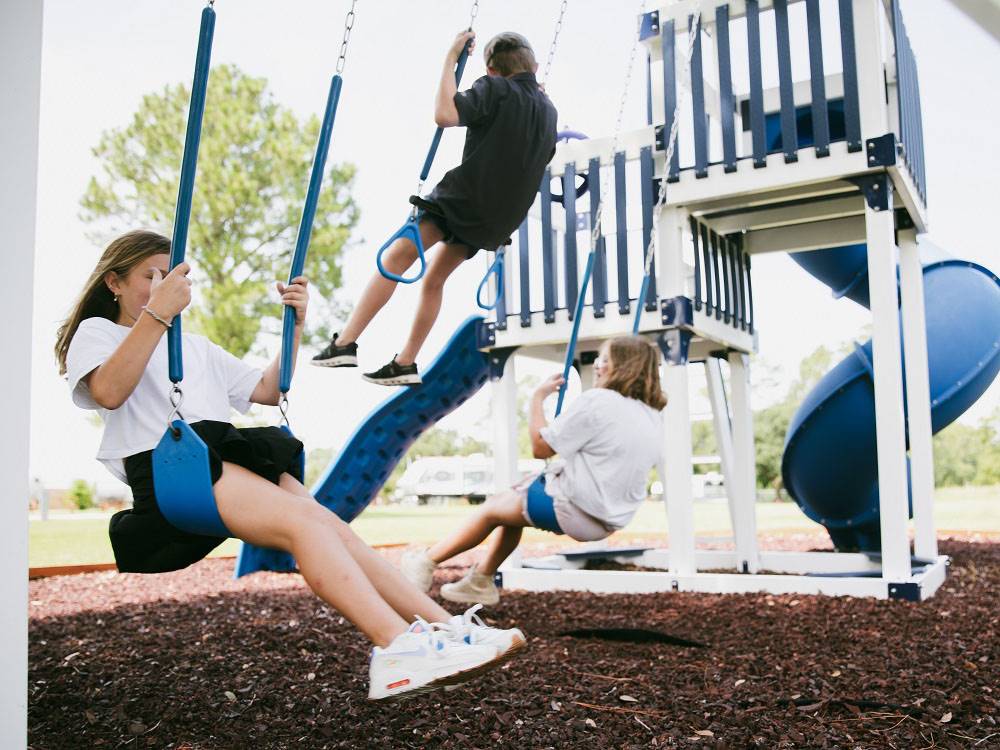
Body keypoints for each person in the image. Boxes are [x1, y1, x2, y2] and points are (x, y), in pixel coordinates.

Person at [56, 230, 526, 700]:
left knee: (331, 525)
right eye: (150, 275)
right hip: (171, 463)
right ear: (114, 283)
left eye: (172, 275)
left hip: (222, 451)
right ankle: (397, 647)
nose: (164, 285)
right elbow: (108, 392)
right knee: (306, 524)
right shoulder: (99, 333)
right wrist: (159, 312)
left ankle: (446, 629)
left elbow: (267, 388)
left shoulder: (193, 345)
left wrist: (294, 325)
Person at [311, 30, 558, 385]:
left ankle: (344, 342)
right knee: (434, 279)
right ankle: (406, 362)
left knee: (395, 259)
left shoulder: (496, 89)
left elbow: (445, 114)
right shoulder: (548, 110)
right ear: (533, 66)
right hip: (499, 218)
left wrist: (449, 60)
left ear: (491, 70)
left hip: (467, 199)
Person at [400, 337, 667, 605]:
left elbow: (540, 448)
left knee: (491, 508)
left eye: (605, 360)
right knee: (512, 509)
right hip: (607, 520)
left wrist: (537, 398)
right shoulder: (652, 415)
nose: (598, 366)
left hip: (574, 509)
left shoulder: (599, 400)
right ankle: (481, 580)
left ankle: (426, 562)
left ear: (623, 367)